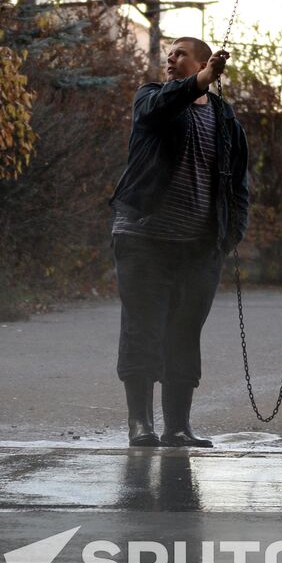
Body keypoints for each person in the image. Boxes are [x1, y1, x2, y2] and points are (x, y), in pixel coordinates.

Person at [109, 37, 250, 447]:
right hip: (142, 239)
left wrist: (230, 235)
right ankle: (141, 425)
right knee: (142, 329)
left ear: (204, 61)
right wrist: (199, 82)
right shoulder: (150, 97)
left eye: (180, 54)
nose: (169, 59)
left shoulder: (224, 118)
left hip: (200, 247)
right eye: (167, 54)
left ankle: (177, 427)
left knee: (184, 334)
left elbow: (238, 183)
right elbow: (161, 106)